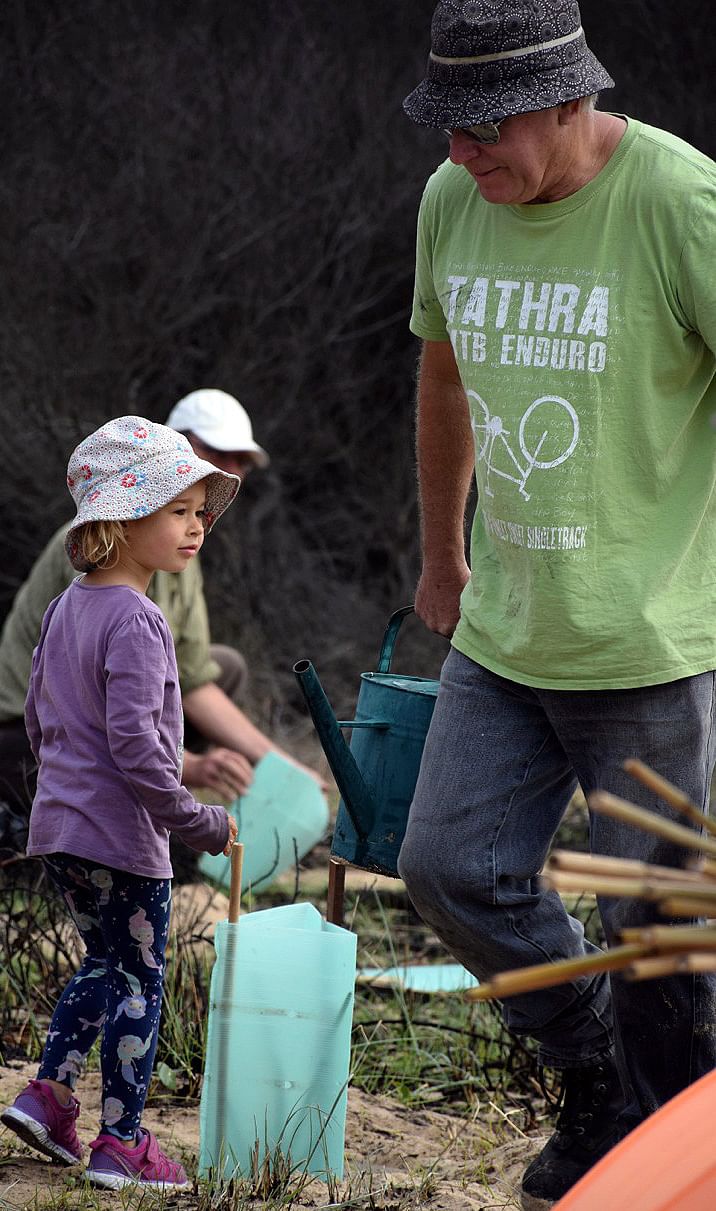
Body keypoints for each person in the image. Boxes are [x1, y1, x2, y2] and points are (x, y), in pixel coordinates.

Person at [396, 2, 716, 1208]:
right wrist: (440, 553)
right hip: (507, 629)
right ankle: (597, 1081)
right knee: (446, 865)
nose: (458, 155)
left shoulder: (675, 203)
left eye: (482, 128)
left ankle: (666, 1166)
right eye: (444, 127)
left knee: (660, 938)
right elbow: (442, 376)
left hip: (652, 640)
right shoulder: (450, 203)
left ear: (570, 101)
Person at [0, 416, 240, 1188]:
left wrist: (65, 792)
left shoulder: (68, 607)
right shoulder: (139, 620)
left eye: (200, 509)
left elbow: (40, 718)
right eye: (179, 509)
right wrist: (195, 820)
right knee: (140, 979)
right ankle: (123, 1142)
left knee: (102, 962)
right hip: (122, 838)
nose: (197, 524)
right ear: (123, 518)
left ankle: (48, 1096)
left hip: (62, 826)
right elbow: (139, 750)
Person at [0, 388, 322, 856]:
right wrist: (188, 768)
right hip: (33, 739)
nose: (230, 469)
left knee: (224, 664)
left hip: (107, 722)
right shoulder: (102, 546)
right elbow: (74, 696)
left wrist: (288, 771)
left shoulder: (177, 553)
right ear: (177, 446)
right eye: (215, 452)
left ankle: (163, 798)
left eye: (241, 462)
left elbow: (193, 676)